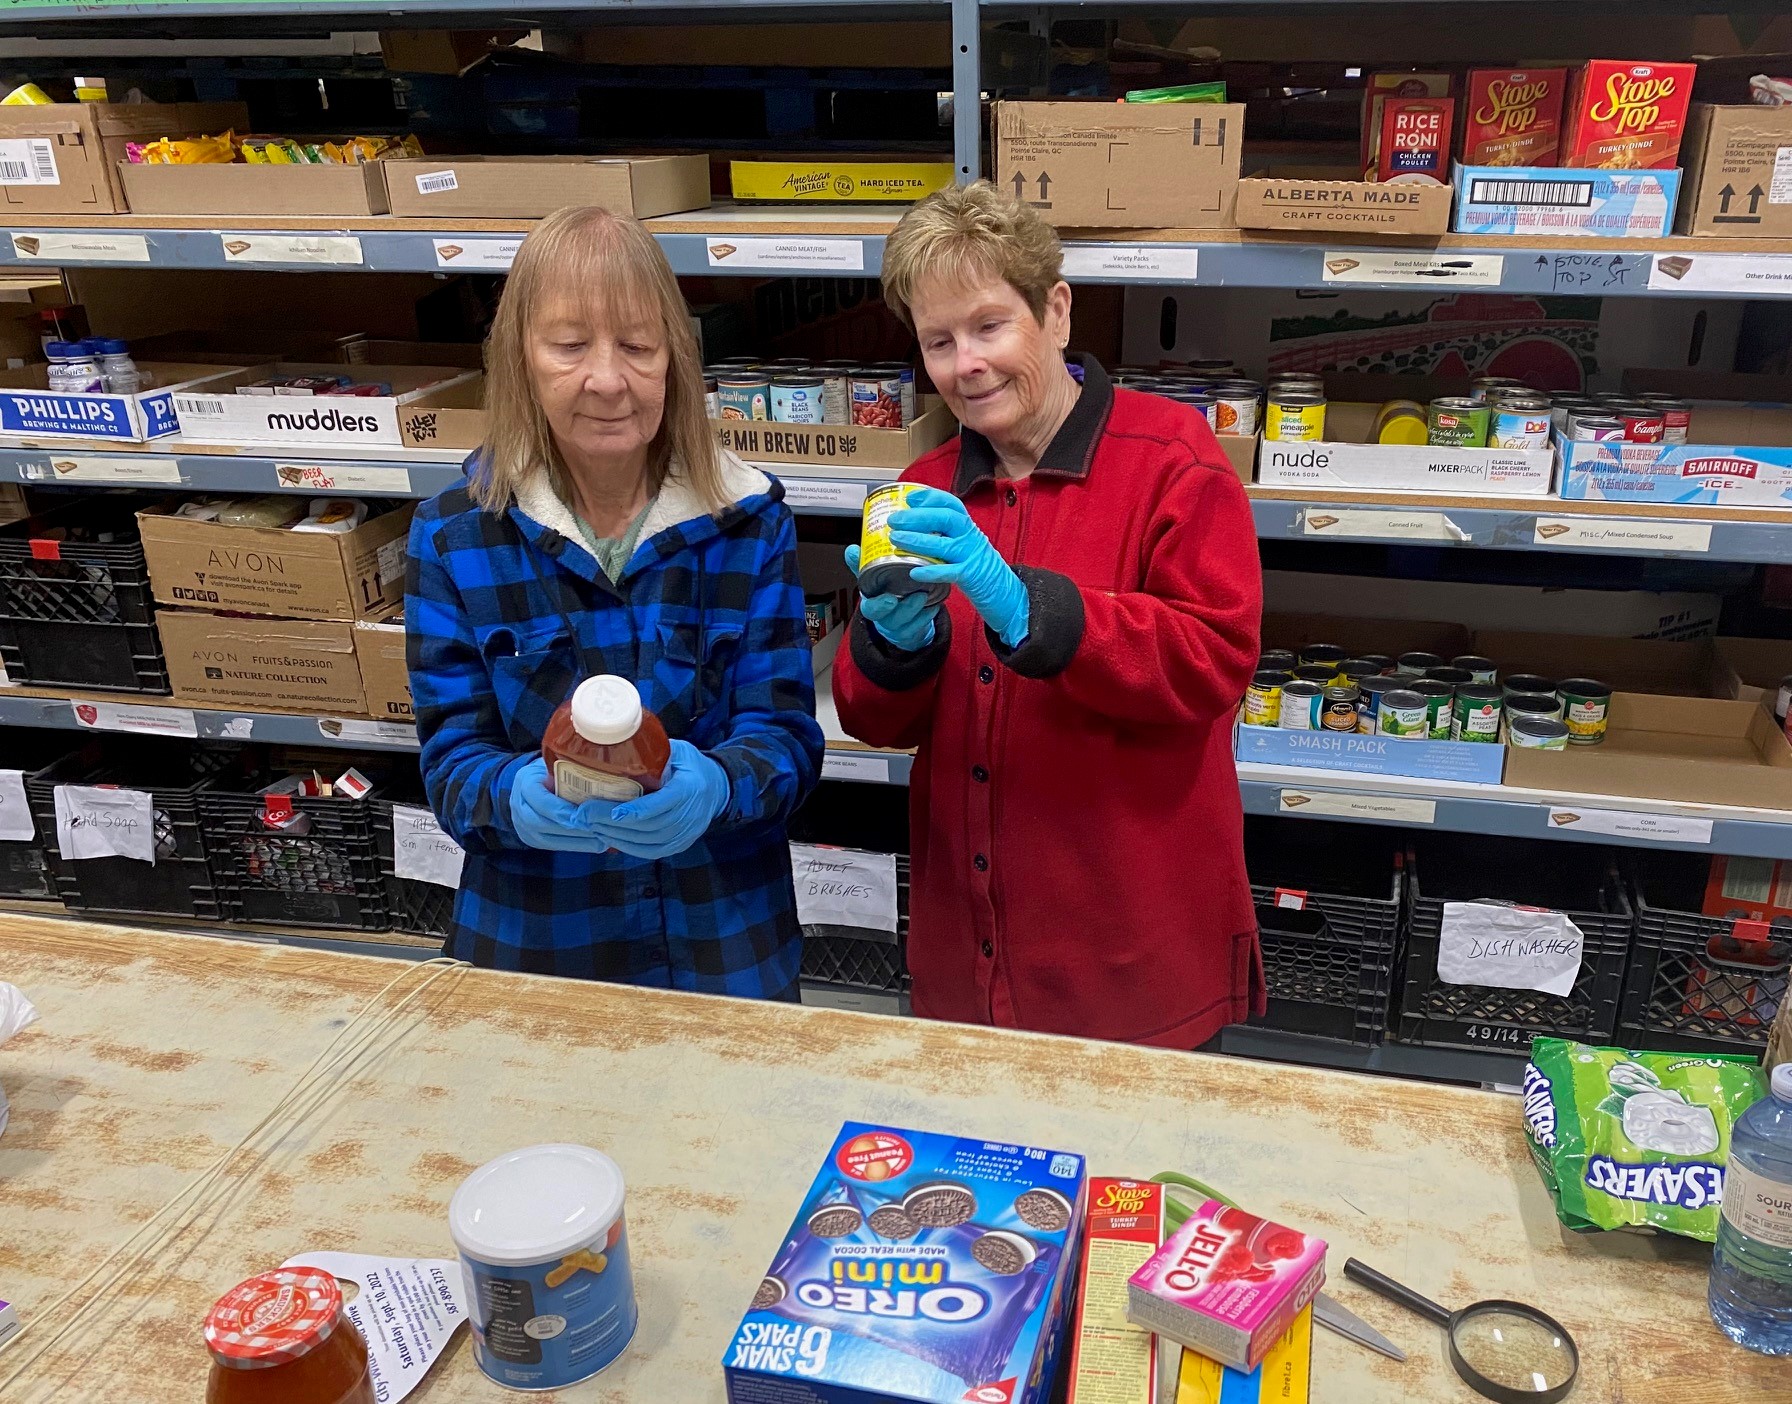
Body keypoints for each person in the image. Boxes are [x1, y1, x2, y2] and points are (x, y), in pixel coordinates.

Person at [832, 182, 1264, 1049]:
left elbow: (1216, 657)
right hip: (966, 961)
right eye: (938, 342)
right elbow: (871, 718)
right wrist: (890, 645)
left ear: (1055, 311)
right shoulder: (925, 489)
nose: (967, 365)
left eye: (990, 326)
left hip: (1132, 971)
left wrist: (1029, 607)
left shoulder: (1171, 458)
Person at [407, 205, 823, 996]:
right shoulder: (456, 536)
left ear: (675, 358)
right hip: (536, 953)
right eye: (569, 346)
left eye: (638, 345)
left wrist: (719, 786)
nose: (608, 379)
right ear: (520, 358)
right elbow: (451, 762)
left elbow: (788, 741)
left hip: (726, 950)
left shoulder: (748, 521)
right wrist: (511, 797)